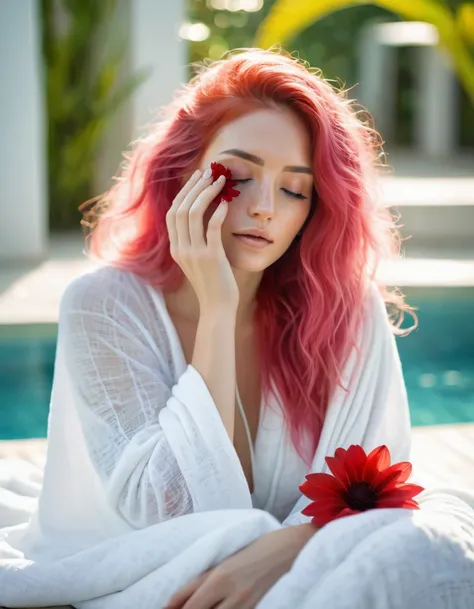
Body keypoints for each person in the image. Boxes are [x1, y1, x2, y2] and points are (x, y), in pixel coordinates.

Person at [0, 48, 420, 608]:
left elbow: (383, 494)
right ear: (183, 173)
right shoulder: (102, 305)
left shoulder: (345, 310)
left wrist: (296, 542)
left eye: (295, 189)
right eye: (239, 177)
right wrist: (218, 310)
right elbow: (170, 509)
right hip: (157, 578)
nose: (266, 207)